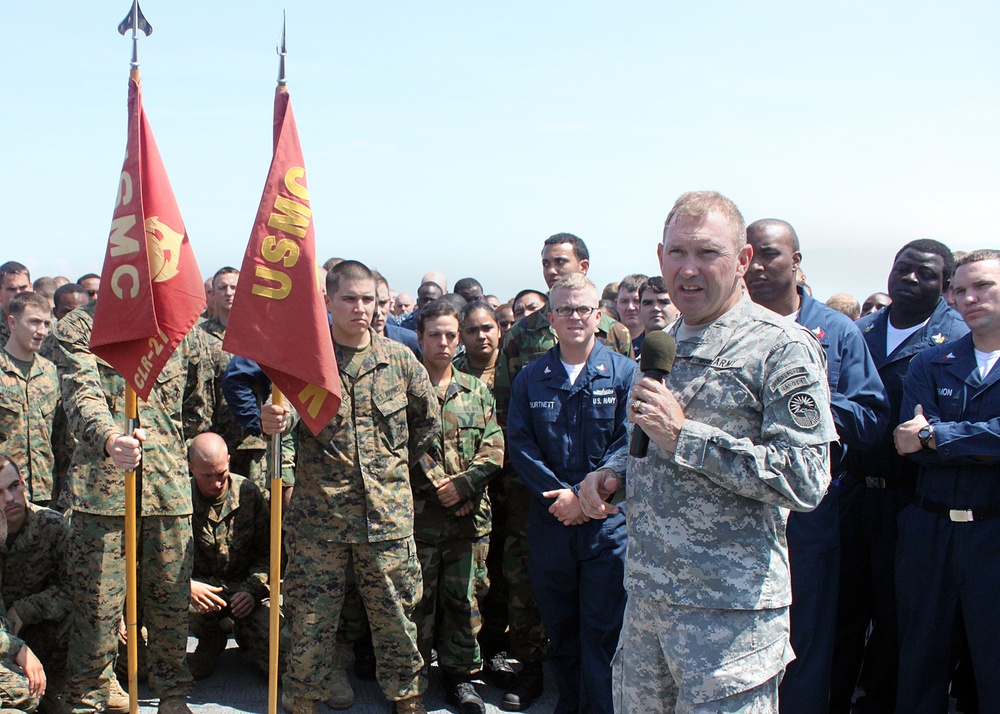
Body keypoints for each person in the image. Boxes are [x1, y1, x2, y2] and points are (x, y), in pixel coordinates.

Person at [579, 190, 836, 712]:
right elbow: (646, 443)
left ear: (742, 260)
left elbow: (808, 478)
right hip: (649, 604)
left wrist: (687, 438)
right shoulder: (662, 342)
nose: (689, 270)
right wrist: (611, 474)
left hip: (729, 618)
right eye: (678, 253)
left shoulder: (780, 346)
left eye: (707, 253)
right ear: (659, 257)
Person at [262, 260, 438, 714]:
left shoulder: (401, 360)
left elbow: (425, 426)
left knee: (397, 614)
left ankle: (407, 695)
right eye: (349, 299)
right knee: (311, 619)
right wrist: (273, 426)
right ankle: (302, 696)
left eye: (368, 300)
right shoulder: (305, 366)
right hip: (320, 519)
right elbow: (283, 440)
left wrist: (390, 473)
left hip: (386, 518)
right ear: (327, 301)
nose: (361, 308)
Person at [744, 218, 889, 712]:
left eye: (770, 254)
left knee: (806, 639)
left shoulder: (838, 331)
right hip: (739, 508)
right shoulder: (726, 328)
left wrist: (809, 397)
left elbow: (871, 418)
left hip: (809, 510)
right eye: (750, 256)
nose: (758, 266)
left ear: (796, 261)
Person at [492, 233, 633, 711]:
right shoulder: (532, 377)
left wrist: (592, 496)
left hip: (606, 523)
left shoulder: (622, 373)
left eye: (583, 309)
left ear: (599, 315)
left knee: (603, 629)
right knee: (561, 628)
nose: (575, 317)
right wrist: (564, 496)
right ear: (550, 319)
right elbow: (521, 441)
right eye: (565, 310)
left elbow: (627, 440)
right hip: (552, 520)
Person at [53, 297, 211, 714]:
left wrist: (166, 452)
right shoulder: (80, 327)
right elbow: (79, 396)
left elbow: (196, 408)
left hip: (167, 490)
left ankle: (173, 694)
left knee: (170, 601)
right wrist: (110, 439)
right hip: (103, 491)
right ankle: (90, 694)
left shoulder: (183, 327)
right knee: (97, 608)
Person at [831, 239, 967, 714]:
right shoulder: (858, 331)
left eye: (925, 274)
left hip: (912, 500)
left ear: (945, 285)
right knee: (842, 613)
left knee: (899, 620)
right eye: (903, 269)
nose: (910, 279)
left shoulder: (958, 339)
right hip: (852, 494)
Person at [890, 249, 1000, 713]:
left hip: (993, 532)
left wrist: (937, 434)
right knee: (919, 665)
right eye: (961, 289)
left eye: (984, 286)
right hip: (929, 531)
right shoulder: (931, 362)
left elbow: (923, 436)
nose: (970, 298)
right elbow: (905, 443)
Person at [411, 298, 504, 714]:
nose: (445, 343)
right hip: (421, 520)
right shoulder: (408, 391)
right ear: (420, 338)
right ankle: (412, 677)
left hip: (469, 523)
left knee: (465, 602)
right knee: (417, 602)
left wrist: (464, 488)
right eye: (436, 335)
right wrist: (443, 489)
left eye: (451, 335)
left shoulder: (477, 390)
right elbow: (403, 449)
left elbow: (494, 447)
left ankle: (462, 679)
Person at [186, 433, 272, 681]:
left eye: (221, 474)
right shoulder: (180, 498)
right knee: (151, 664)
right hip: (197, 596)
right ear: (192, 468)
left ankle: (245, 634)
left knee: (281, 659)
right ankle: (211, 638)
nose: (216, 483)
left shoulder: (249, 494)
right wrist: (187, 586)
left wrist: (253, 590)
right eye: (207, 476)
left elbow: (268, 554)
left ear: (229, 461)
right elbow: (160, 559)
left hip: (242, 594)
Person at [0, 455, 71, 712]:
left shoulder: (51, 526)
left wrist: (24, 609)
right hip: (4, 639)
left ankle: (57, 691)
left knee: (79, 620)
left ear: (23, 484)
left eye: (13, 487)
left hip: (36, 630)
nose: (9, 498)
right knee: (21, 693)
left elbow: (75, 588)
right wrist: (13, 646)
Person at [0, 291, 59, 506]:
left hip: (45, 491)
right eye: (34, 322)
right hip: (4, 493)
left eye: (46, 323)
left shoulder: (50, 372)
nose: (41, 331)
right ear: (12, 322)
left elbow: (61, 439)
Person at [613, 274, 648, 356]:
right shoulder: (607, 340)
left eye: (636, 301)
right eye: (624, 301)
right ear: (616, 304)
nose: (630, 307)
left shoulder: (656, 342)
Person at [0, 261, 31, 347]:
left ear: (31, 287)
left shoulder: (44, 326)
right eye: (11, 289)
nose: (18, 294)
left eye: (23, 287)